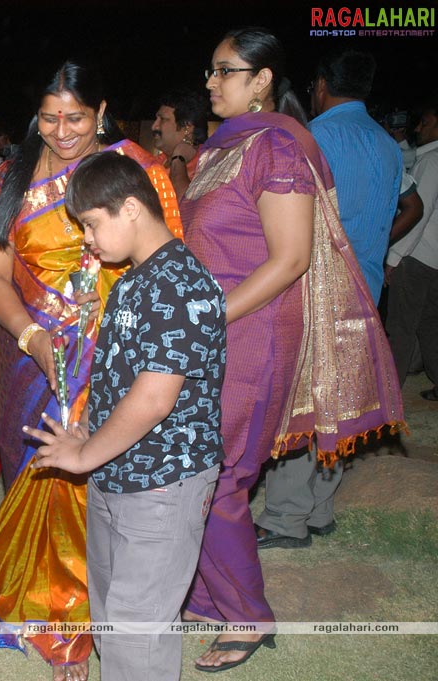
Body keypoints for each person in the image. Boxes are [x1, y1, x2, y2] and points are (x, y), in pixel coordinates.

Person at [181, 28, 403, 671]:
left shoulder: (275, 147)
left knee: (221, 474)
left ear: (262, 81)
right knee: (202, 468)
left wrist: (208, 317)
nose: (211, 82)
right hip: (214, 330)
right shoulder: (224, 148)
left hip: (251, 332)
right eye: (211, 70)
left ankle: (247, 615)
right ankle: (206, 594)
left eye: (225, 71)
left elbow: (291, 259)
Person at [0, 61, 183, 681]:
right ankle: (33, 595)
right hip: (30, 357)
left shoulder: (131, 170)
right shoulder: (11, 177)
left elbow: (160, 261)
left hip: (106, 358)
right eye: (51, 116)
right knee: (30, 469)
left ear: (101, 112)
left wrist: (100, 327)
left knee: (89, 487)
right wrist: (31, 338)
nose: (62, 130)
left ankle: (77, 624)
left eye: (76, 117)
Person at [30, 151, 226, 681]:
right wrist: (89, 430)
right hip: (117, 472)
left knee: (138, 626)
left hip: (163, 481)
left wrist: (85, 454)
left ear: (133, 208)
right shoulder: (135, 279)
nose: (87, 240)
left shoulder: (180, 284)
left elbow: (154, 398)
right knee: (116, 610)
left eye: (92, 224)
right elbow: (116, 374)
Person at [254, 49, 403, 551]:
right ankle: (319, 508)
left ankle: (285, 518)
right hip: (367, 290)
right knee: (339, 397)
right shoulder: (387, 145)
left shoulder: (312, 138)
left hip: (315, 290)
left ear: (320, 85)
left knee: (301, 399)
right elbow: (404, 208)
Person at [386, 96, 438, 399]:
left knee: (401, 326)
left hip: (417, 256)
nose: (419, 128)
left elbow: (419, 213)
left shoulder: (431, 162)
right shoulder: (426, 157)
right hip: (433, 258)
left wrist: (394, 257)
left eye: (426, 123)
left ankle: (389, 394)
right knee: (429, 324)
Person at [151, 89, 210, 196]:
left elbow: (185, 205)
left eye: (163, 119)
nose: (154, 126)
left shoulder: (207, 165)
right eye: (156, 119)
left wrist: (178, 159)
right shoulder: (155, 163)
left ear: (187, 127)